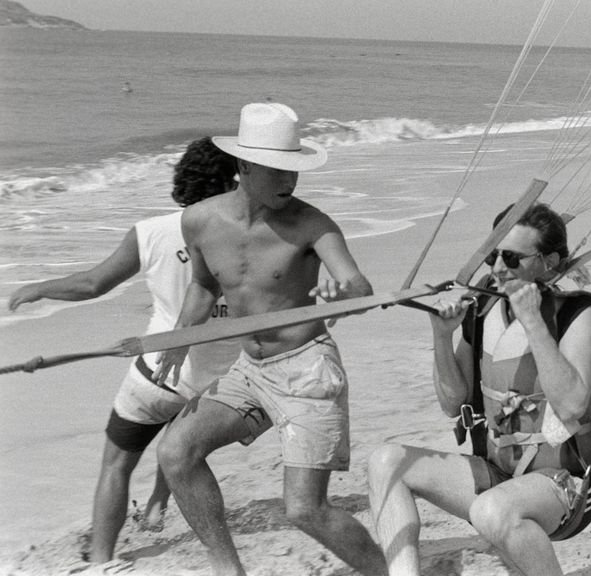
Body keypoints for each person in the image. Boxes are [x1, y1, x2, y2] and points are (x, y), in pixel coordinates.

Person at [154, 102, 386, 576]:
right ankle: (227, 569)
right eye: (277, 170)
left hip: (307, 370)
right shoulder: (199, 221)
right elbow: (203, 286)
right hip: (250, 371)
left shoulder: (312, 224)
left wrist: (341, 290)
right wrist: (180, 339)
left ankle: (391, 572)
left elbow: (360, 291)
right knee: (176, 452)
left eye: (294, 170)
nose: (290, 181)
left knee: (304, 510)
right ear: (243, 166)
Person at [7, 137, 242, 565]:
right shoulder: (249, 234)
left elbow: (92, 284)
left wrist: (38, 287)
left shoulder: (151, 233)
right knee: (182, 443)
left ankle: (101, 559)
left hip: (155, 376)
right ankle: (157, 500)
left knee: (116, 464)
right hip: (221, 385)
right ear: (231, 181)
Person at [367, 203, 591, 576]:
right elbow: (453, 403)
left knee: (489, 509)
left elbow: (572, 406)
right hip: (498, 474)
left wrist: (532, 319)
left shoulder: (577, 314)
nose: (497, 270)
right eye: (492, 255)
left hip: (564, 487)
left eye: (511, 259)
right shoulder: (483, 311)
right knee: (386, 462)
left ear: (549, 262)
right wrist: (442, 336)